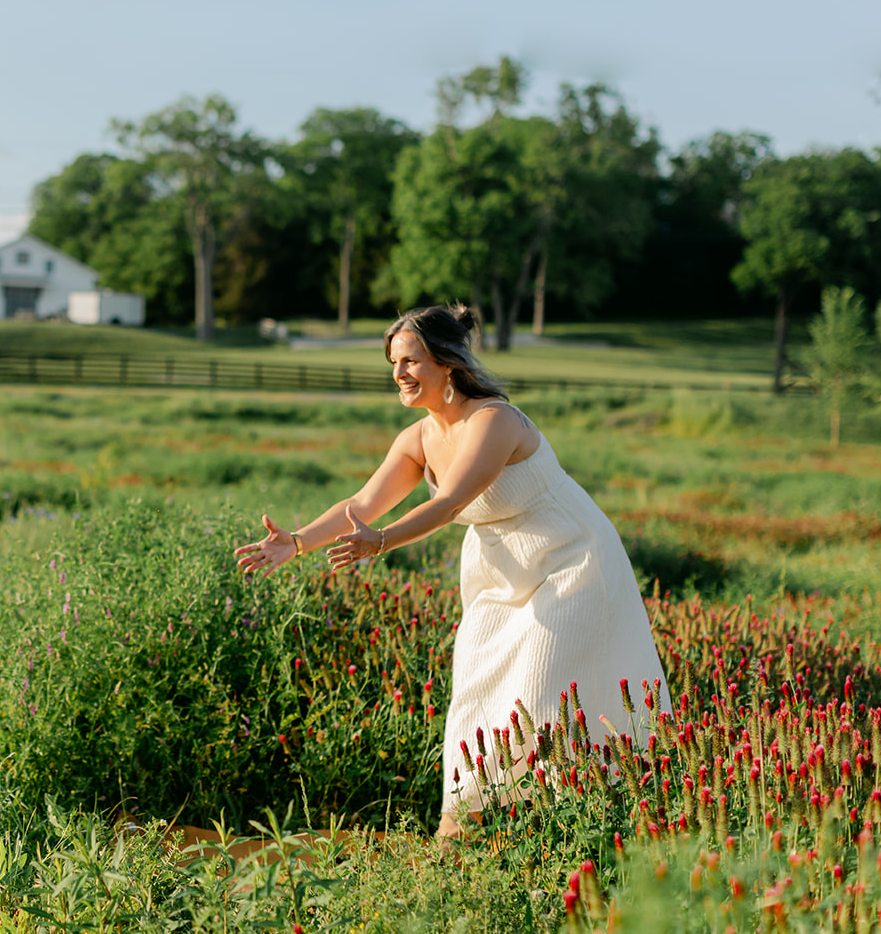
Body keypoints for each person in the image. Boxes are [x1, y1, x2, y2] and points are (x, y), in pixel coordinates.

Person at [234, 305, 669, 837]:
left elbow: (452, 501)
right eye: (394, 363)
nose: (399, 374)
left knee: (543, 693)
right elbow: (364, 502)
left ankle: (565, 825)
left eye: (411, 361)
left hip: (570, 560)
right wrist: (297, 542)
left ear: (447, 362)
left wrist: (384, 542)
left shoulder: (495, 420)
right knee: (476, 692)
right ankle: (460, 826)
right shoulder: (418, 439)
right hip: (498, 574)